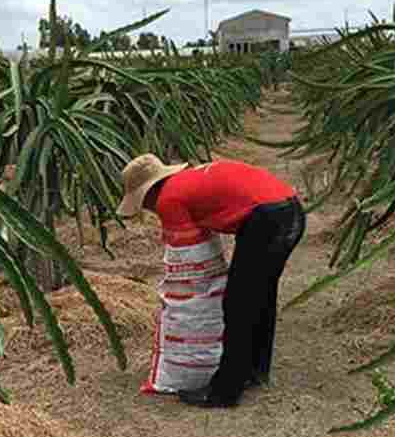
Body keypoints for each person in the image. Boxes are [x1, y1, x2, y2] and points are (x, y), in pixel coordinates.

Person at [118, 154, 306, 408]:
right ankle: (256, 370)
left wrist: (187, 298)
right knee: (262, 294)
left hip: (266, 219)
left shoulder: (168, 198)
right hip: (290, 209)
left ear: (148, 192)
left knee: (238, 304)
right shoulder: (187, 181)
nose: (150, 210)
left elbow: (187, 258)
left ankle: (224, 392)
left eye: (144, 203)